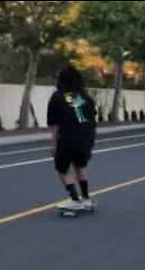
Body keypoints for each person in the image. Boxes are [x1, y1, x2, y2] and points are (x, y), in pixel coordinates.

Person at [47, 65, 96, 210]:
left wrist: (54, 145)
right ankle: (86, 199)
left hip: (67, 137)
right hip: (86, 138)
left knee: (62, 169)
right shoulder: (86, 97)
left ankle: (75, 199)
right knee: (80, 167)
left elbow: (55, 125)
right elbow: (92, 118)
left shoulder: (57, 97)